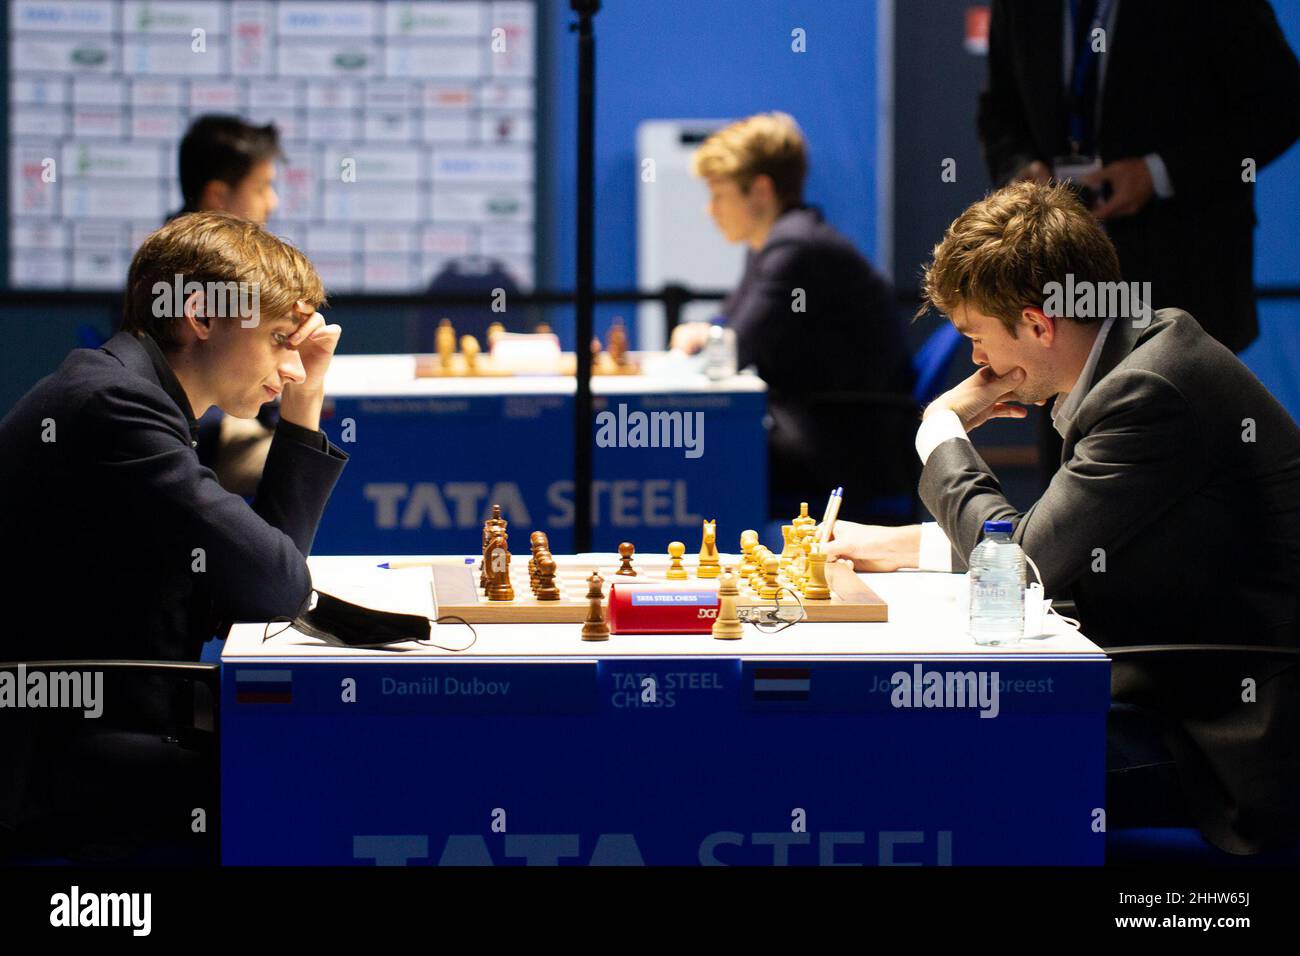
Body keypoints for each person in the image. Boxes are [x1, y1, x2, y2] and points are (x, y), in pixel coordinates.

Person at [825, 182, 1300, 855]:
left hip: (1232, 738)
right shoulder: (1140, 355)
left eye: (977, 337)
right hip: (1177, 690)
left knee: (947, 758)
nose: (977, 362)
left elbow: (1020, 568)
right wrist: (908, 548)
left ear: (1039, 324)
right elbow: (1063, 540)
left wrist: (941, 431)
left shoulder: (1149, 390)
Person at [0, 213, 346, 854]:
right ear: (202, 315)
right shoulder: (113, 409)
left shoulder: (129, 395)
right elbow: (276, 584)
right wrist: (300, 408)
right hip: (55, 754)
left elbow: (255, 588)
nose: (294, 367)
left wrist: (303, 399)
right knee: (317, 780)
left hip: (107, 717)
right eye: (277, 337)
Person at [977, 0, 1300, 482]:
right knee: (1069, 456)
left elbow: (1278, 105)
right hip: (1055, 263)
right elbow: (999, 109)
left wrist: (1159, 171)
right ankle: (1074, 552)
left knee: (1183, 465)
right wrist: (1024, 172)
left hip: (1182, 261)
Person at [671, 112, 915, 521]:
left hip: (842, 450)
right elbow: (729, 330)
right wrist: (711, 333)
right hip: (830, 434)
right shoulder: (777, 243)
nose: (710, 211)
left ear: (760, 190)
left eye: (718, 194)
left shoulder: (796, 248)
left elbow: (731, 350)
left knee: (689, 450)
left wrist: (710, 336)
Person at [173, 114, 286, 494]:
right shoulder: (182, 269)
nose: (272, 202)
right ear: (219, 196)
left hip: (216, 422)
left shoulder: (222, 261)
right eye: (262, 187)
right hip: (203, 433)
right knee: (309, 463)